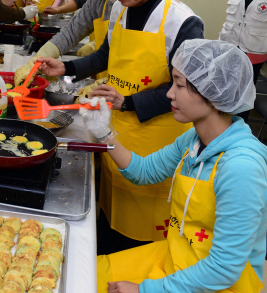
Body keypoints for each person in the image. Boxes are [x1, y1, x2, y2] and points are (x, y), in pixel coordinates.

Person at [37, 0, 205, 253]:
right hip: (114, 132)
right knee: (110, 219)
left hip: (156, 141)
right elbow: (105, 55)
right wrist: (67, 67)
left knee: (142, 239)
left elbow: (187, 89)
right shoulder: (118, 8)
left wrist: (128, 101)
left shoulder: (181, 21)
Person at [78, 39, 266, 293]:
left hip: (217, 283)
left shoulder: (241, 167)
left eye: (179, 85)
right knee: (84, 273)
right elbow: (143, 172)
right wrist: (104, 134)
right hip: (177, 258)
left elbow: (223, 269)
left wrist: (142, 290)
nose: (169, 94)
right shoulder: (194, 139)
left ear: (210, 95)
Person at [218, 0, 267, 120]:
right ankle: (221, 124)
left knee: (245, 94)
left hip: (254, 50)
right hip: (230, 46)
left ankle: (239, 128)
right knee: (226, 89)